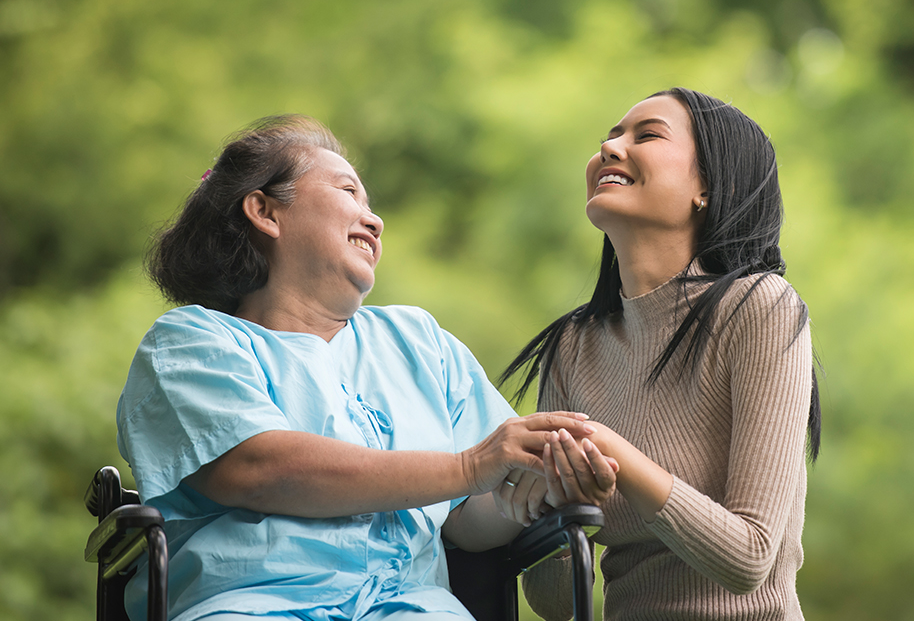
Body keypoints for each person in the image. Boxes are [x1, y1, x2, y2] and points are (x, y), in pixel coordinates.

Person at [115, 115, 614, 621]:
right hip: (254, 605)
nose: (373, 220)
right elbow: (258, 468)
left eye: (370, 205)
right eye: (348, 192)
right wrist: (469, 466)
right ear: (265, 212)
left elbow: (466, 519)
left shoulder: (421, 343)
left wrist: (542, 483)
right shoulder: (190, 342)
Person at [498, 88, 821, 620]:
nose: (610, 146)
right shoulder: (573, 347)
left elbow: (750, 557)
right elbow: (556, 604)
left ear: (708, 187)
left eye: (645, 135)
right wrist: (552, 501)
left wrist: (612, 453)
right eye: (610, 134)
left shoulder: (759, 308)